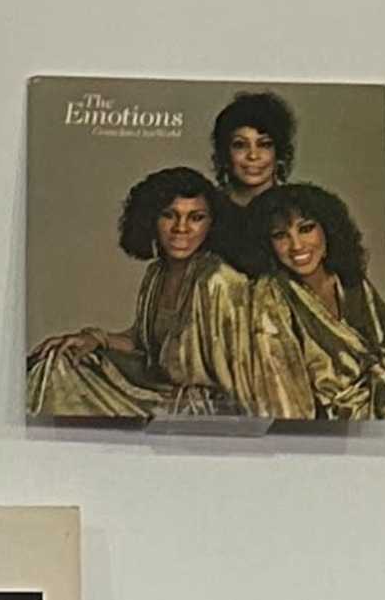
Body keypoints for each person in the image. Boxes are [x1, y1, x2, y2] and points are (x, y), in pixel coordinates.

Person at [28, 163, 241, 425]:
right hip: (159, 397)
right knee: (58, 363)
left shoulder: (220, 280)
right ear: (150, 219)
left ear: (212, 224)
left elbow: (242, 375)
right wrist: (95, 338)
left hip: (203, 415)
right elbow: (143, 342)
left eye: (196, 217)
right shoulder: (157, 273)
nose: (181, 228)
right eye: (169, 215)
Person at [229, 182, 385, 425]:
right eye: (280, 235)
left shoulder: (352, 283)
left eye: (305, 229)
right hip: (324, 432)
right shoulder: (269, 297)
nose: (296, 246)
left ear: (328, 230)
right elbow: (283, 396)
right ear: (267, 244)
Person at [205, 93, 300, 275]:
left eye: (264, 144)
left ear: (279, 154)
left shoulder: (299, 209)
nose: (253, 155)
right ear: (225, 154)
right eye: (240, 145)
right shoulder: (205, 212)